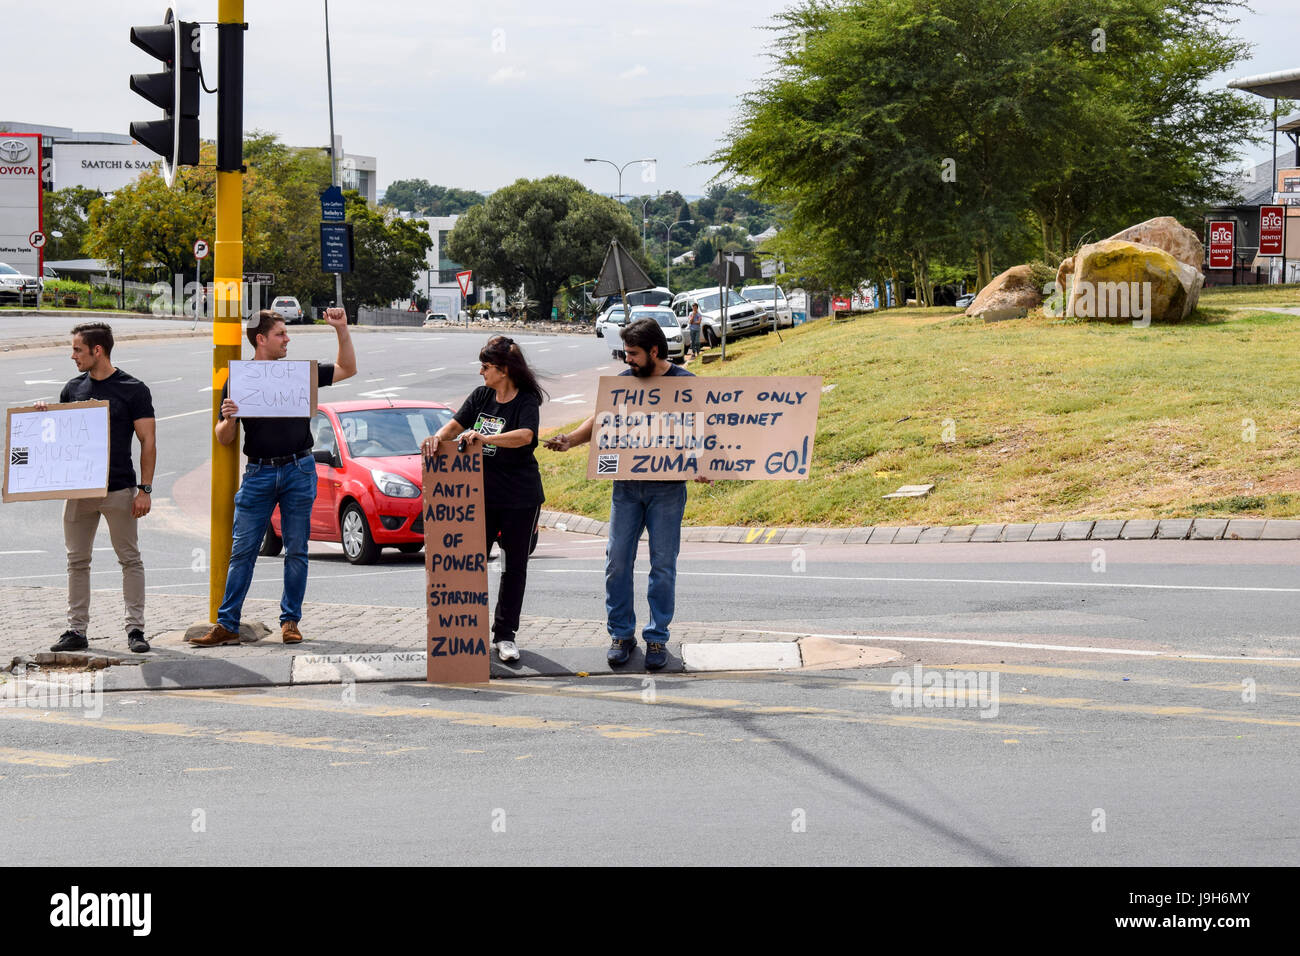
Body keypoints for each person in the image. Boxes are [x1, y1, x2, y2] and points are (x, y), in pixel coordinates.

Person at [544, 318, 708, 671]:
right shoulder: (622, 384)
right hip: (626, 488)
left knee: (663, 567)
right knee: (617, 562)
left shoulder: (686, 384)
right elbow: (602, 420)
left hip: (667, 490)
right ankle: (621, 634)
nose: (627, 360)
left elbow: (704, 430)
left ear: (654, 350)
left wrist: (704, 464)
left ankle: (657, 638)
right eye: (625, 354)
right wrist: (570, 440)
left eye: (633, 354)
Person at [191, 307, 356, 647]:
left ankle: (290, 622)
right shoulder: (239, 378)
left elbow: (347, 369)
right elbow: (223, 437)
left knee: (296, 549)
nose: (288, 339)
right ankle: (228, 623)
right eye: (281, 334)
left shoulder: (297, 373)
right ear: (261, 339)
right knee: (243, 551)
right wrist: (229, 418)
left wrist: (340, 329)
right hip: (259, 473)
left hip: (299, 468)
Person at [425, 336, 546, 663]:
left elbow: (526, 436)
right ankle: (465, 634)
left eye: (486, 367)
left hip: (520, 496)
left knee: (513, 566)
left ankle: (505, 635)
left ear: (504, 370)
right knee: (469, 563)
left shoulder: (526, 400)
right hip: (480, 497)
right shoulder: (481, 396)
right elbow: (455, 426)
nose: (481, 372)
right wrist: (436, 440)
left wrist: (486, 438)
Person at [41, 323, 156, 654]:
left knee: (129, 559)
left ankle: (135, 629)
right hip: (78, 491)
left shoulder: (133, 389)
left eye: (78, 349)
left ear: (98, 351)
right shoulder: (72, 389)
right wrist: (43, 417)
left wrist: (144, 489)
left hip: (119, 488)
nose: (72, 355)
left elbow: (148, 441)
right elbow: (58, 440)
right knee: (77, 560)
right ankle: (76, 630)